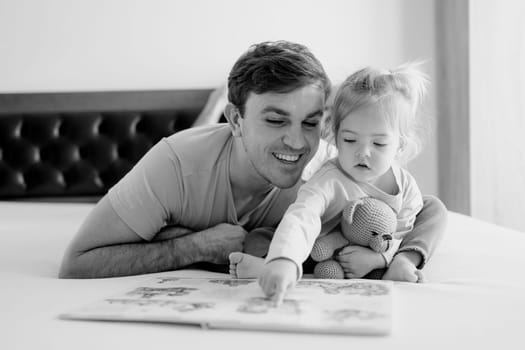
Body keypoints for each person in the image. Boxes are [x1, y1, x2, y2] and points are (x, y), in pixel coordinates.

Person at [59, 41, 446, 280]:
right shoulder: (174, 164)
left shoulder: (330, 161)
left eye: (311, 122)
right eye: (276, 120)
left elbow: (418, 209)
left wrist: (398, 255)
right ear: (236, 119)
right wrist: (193, 248)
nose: (297, 142)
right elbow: (77, 262)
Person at [229, 63, 440, 304]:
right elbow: (302, 216)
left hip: (376, 251)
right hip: (323, 252)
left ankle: (403, 263)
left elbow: (404, 228)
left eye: (379, 144)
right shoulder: (329, 179)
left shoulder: (404, 184)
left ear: (399, 145)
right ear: (335, 136)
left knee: (433, 209)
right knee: (259, 238)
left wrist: (380, 259)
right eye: (350, 140)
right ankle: (272, 266)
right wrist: (283, 260)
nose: (363, 153)